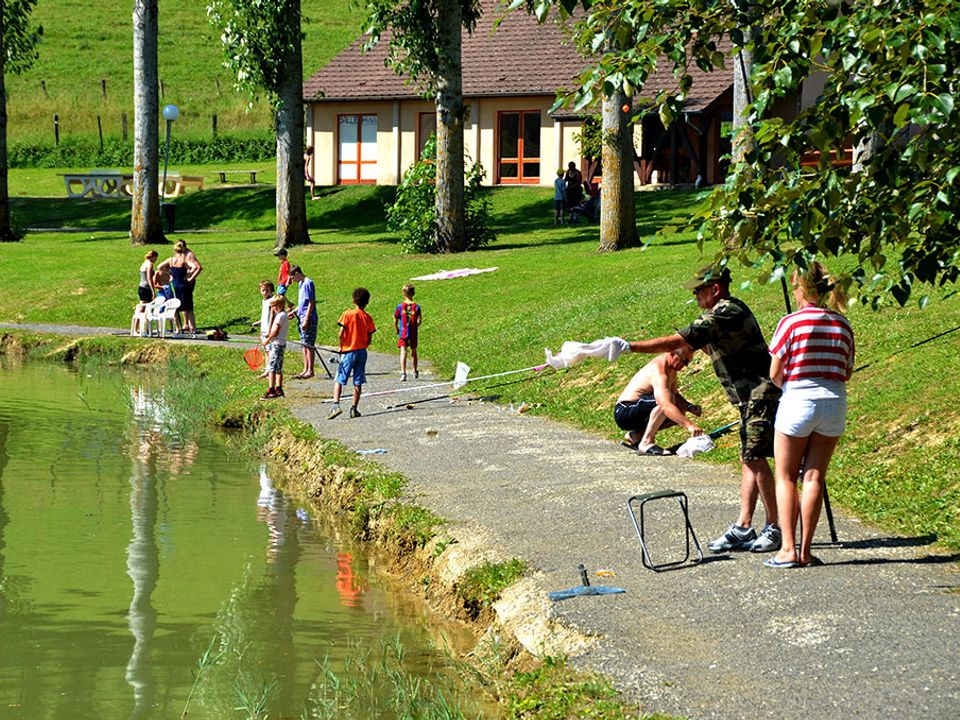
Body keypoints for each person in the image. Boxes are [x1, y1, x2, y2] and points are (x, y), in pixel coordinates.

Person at [628, 264, 783, 554]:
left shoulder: (727, 312)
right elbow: (688, 345)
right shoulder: (718, 316)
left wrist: (628, 346)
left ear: (715, 289)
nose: (697, 297)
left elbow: (679, 342)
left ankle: (775, 527)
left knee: (754, 457)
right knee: (748, 457)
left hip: (760, 393)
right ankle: (743, 526)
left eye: (699, 291)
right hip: (747, 398)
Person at [764, 262, 854, 569]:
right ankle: (805, 551)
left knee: (786, 476)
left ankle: (787, 549)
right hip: (834, 402)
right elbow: (847, 371)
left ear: (801, 288)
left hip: (798, 401)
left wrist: (789, 382)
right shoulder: (843, 324)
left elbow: (775, 373)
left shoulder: (790, 323)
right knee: (814, 476)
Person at [616, 348, 703, 455]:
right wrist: (690, 426)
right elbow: (665, 404)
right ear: (672, 354)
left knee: (678, 412)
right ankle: (646, 443)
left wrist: (689, 407)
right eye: (684, 361)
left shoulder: (671, 369)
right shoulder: (659, 371)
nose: (685, 366)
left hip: (636, 410)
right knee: (667, 401)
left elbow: (675, 395)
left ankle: (637, 435)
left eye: (688, 363)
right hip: (625, 411)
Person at [328, 287, 376, 420]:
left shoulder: (347, 314)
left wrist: (341, 347)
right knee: (358, 381)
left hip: (348, 351)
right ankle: (354, 408)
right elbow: (370, 337)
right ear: (367, 302)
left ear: (353, 300)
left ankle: (336, 405)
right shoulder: (368, 317)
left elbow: (340, 333)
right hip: (362, 352)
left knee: (339, 378)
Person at [156, 241, 201, 334]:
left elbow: (159, 267)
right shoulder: (184, 260)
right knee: (188, 308)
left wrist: (169, 273)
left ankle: (177, 328)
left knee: (174, 308)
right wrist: (190, 276)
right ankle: (193, 328)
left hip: (173, 285)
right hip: (183, 285)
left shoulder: (171, 260)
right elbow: (196, 267)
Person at [288, 266, 318, 379]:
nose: (292, 280)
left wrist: (306, 319)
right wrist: (294, 312)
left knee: (309, 344)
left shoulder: (308, 283)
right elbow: (302, 304)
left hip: (309, 319)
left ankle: (310, 370)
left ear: (297, 273)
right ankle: (305, 368)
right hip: (301, 317)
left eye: (292, 277)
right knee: (304, 344)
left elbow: (311, 303)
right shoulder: (301, 284)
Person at [261, 295, 290, 400]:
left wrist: (267, 341)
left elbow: (275, 331)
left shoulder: (280, 316)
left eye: (274, 306)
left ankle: (271, 390)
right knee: (278, 368)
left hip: (276, 344)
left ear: (280, 305)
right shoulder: (284, 315)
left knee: (271, 368)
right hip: (281, 344)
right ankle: (279, 389)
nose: (273, 309)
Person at [394, 283, 422, 381]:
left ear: (403, 294)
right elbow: (419, 320)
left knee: (403, 352)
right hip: (413, 333)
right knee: (413, 352)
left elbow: (395, 319)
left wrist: (397, 328)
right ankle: (414, 370)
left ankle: (403, 373)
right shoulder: (417, 307)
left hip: (403, 332)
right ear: (413, 294)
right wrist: (415, 326)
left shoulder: (400, 306)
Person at [252, 280, 276, 379]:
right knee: (266, 350)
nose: (264, 292)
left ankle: (270, 370)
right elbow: (264, 316)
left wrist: (270, 330)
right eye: (263, 290)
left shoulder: (272, 301)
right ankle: (267, 369)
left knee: (270, 351)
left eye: (267, 290)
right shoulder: (264, 301)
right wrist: (258, 322)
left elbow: (272, 317)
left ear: (271, 290)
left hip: (268, 331)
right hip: (263, 329)